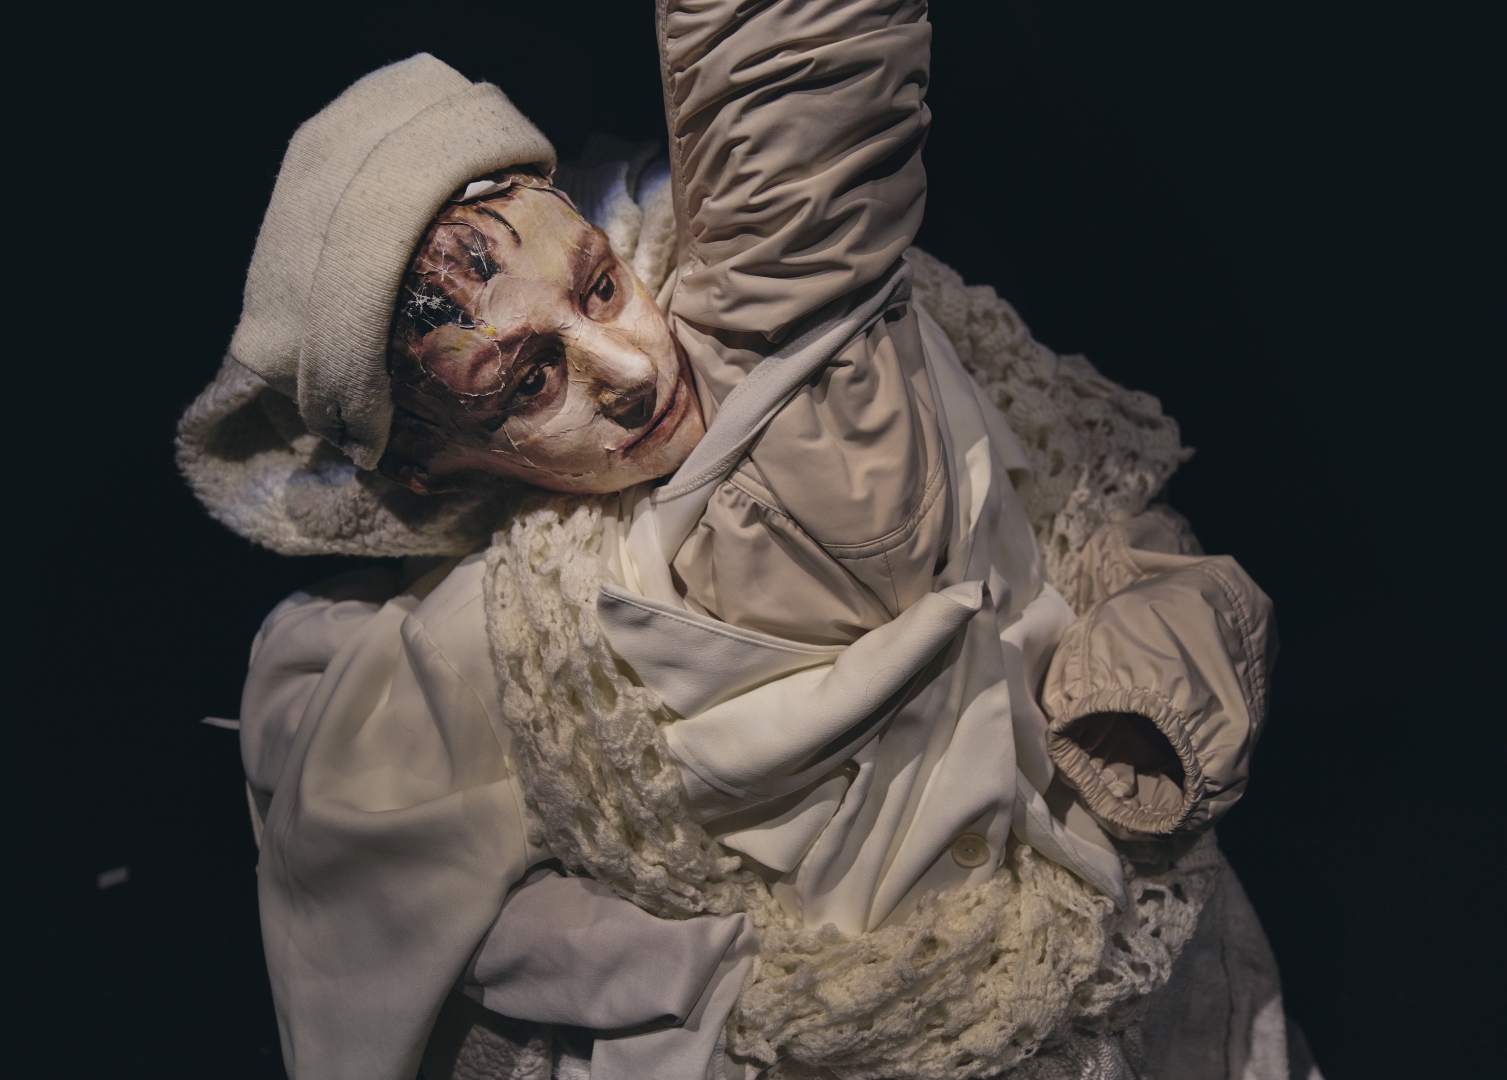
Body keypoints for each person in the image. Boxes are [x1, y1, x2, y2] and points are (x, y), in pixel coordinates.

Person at [178, 4, 1308, 1078]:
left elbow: (1083, 499)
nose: (630, 369)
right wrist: (682, 978)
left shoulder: (762, 308)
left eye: (599, 287)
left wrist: (1144, 666)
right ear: (441, 468)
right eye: (527, 382)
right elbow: (397, 965)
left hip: (1151, 940)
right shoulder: (481, 648)